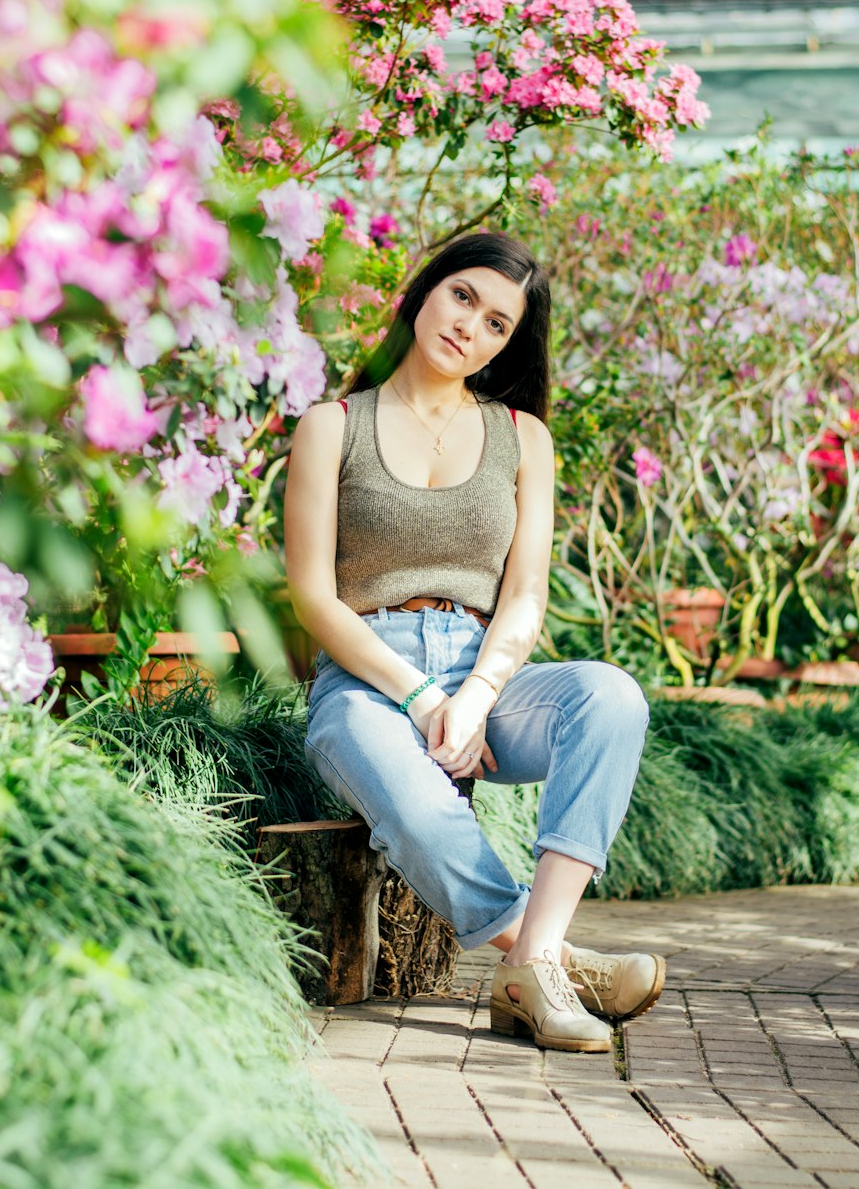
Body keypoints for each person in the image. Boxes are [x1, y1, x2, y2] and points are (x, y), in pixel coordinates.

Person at [285, 230, 664, 1053]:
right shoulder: (331, 426)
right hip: (364, 685)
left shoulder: (523, 437)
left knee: (611, 698)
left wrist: (478, 694)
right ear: (427, 290)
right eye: (463, 297)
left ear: (507, 344)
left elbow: (525, 595)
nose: (471, 327)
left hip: (482, 672)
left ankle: (531, 960)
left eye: (498, 323)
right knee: (418, 809)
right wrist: (419, 696)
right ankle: (553, 966)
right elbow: (313, 596)